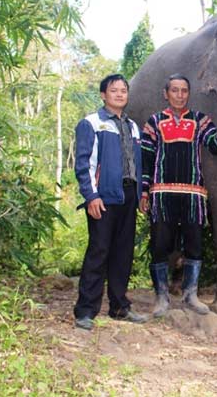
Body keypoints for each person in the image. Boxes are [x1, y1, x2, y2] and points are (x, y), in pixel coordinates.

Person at [140, 74, 217, 317]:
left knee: (194, 245)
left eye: (184, 90)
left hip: (193, 194)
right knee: (160, 245)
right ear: (166, 93)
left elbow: (216, 146)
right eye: (175, 90)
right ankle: (161, 297)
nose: (180, 95)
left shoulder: (200, 120)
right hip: (162, 193)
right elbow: (146, 159)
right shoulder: (153, 122)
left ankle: (190, 295)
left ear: (188, 94)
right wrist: (144, 192)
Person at [73, 74, 148, 330]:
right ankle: (85, 311)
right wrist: (91, 196)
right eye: (113, 90)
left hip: (128, 196)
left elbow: (138, 165)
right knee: (99, 252)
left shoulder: (133, 127)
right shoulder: (91, 123)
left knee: (122, 254)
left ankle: (119, 307)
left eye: (123, 90)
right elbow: (83, 164)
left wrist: (141, 195)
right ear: (103, 95)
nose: (119, 94)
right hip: (103, 198)